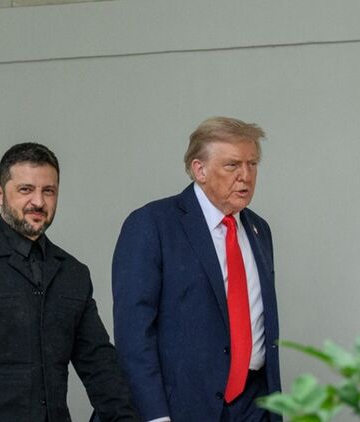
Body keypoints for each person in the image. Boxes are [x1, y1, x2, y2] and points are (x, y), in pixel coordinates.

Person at [0, 142, 137, 422]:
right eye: (25, 189)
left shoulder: (73, 274)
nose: (38, 202)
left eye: (48, 191)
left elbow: (99, 365)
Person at [112, 117, 282, 422]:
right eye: (232, 165)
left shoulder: (259, 229)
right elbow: (134, 334)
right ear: (199, 170)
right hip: (182, 407)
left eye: (252, 164)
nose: (245, 176)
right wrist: (155, 416)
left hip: (253, 404)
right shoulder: (153, 224)